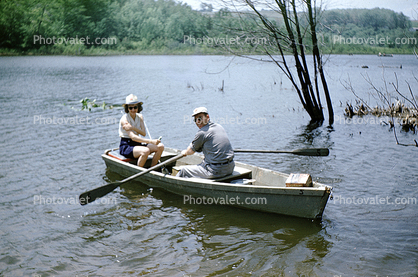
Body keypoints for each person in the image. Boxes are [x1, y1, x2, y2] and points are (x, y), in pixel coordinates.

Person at [177, 107, 234, 179]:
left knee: (183, 171)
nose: (198, 122)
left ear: (207, 117)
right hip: (230, 167)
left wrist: (184, 152)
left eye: (200, 118)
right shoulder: (219, 126)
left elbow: (191, 151)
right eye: (195, 120)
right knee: (204, 162)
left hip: (215, 171)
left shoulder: (202, 133)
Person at [119, 94, 164, 167]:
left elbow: (143, 133)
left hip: (137, 144)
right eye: (130, 108)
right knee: (145, 151)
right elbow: (133, 137)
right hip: (127, 145)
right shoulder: (124, 120)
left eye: (135, 107)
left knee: (160, 146)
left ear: (138, 107)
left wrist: (133, 127)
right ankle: (139, 173)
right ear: (127, 108)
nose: (133, 110)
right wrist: (151, 141)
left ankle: (153, 168)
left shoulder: (140, 117)